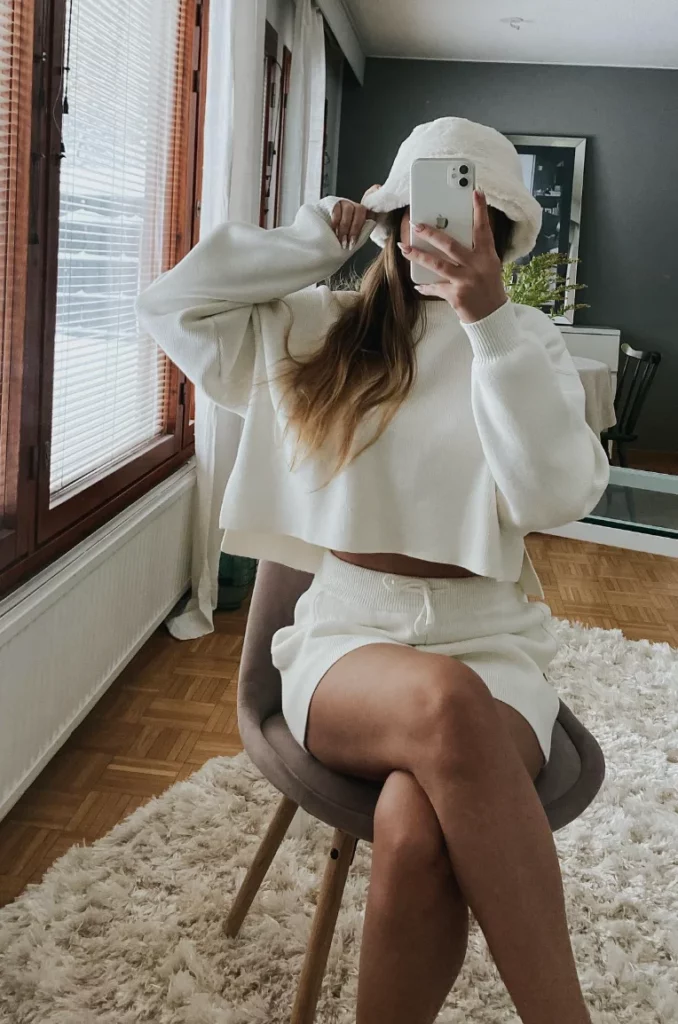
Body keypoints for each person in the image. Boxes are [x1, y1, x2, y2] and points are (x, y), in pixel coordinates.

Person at [137, 117, 609, 1024]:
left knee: (414, 828)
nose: (452, 231)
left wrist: (488, 323)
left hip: (493, 644)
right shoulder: (320, 326)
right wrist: (316, 239)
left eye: (480, 220)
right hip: (349, 637)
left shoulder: (524, 342)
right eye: (433, 210)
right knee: (446, 703)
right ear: (396, 218)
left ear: (504, 236)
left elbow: (555, 497)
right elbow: (172, 306)